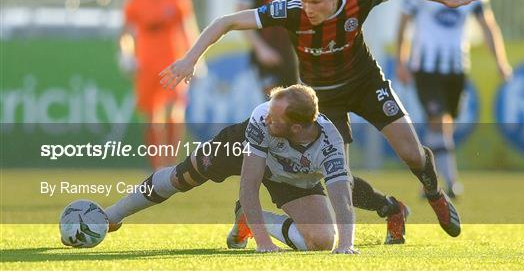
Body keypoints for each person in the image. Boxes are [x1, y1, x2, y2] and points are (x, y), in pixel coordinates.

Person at [159, 0, 482, 238]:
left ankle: (435, 193)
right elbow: (225, 22)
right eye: (304, 1)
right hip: (324, 99)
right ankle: (390, 208)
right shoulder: (290, 9)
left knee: (412, 153)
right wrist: (190, 59)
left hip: (366, 84)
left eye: (316, 2)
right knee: (337, 175)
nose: (308, 9)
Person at [105, 85, 357, 254]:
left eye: (275, 119)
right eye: (269, 111)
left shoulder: (329, 143)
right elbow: (249, 184)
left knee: (322, 241)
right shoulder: (261, 121)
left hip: (291, 175)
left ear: (297, 129)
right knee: (182, 177)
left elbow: (342, 196)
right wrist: (263, 242)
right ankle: (112, 215)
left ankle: (248, 217)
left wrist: (346, 245)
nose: (267, 118)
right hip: (241, 147)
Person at [395, 0, 512, 198]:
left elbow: (489, 27)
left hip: (457, 67)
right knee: (437, 121)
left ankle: (431, 183)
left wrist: (501, 62)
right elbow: (403, 24)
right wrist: (402, 60)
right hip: (426, 66)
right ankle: (448, 182)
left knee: (446, 124)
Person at [119, 0, 202, 170]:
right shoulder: (134, 4)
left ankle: (171, 162)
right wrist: (126, 55)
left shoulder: (178, 1)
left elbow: (189, 31)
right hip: (146, 66)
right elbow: (125, 34)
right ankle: (157, 166)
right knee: (150, 114)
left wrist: (197, 60)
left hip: (173, 64)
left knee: (176, 109)